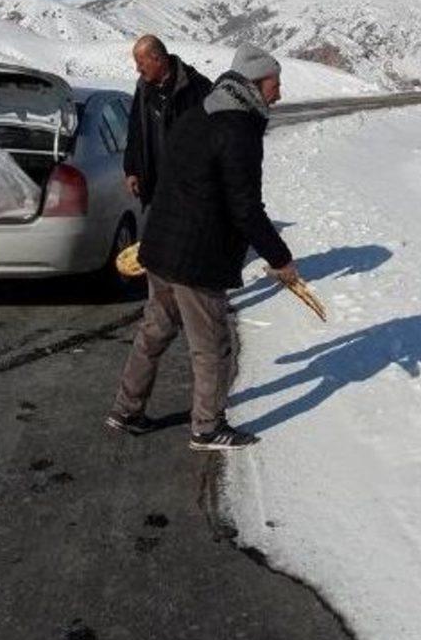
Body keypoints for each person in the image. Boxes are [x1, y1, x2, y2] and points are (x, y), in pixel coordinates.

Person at [106, 43, 298, 450]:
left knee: (154, 331)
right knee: (211, 344)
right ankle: (207, 427)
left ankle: (126, 410)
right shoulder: (239, 129)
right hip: (196, 257)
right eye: (274, 85)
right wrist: (280, 258)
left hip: (161, 248)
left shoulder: (199, 114)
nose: (278, 94)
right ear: (255, 84)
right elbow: (245, 208)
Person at [123, 35, 212, 208]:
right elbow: (135, 131)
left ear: (157, 59)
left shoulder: (197, 87)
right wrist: (131, 170)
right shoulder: (143, 89)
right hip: (156, 186)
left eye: (141, 63)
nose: (137, 69)